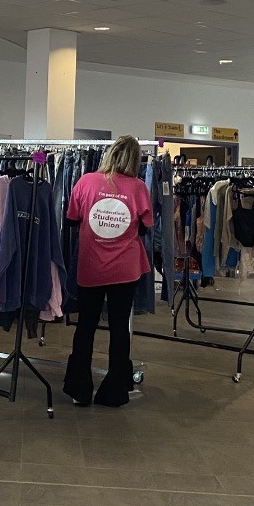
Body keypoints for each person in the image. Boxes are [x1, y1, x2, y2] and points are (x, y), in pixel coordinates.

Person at [63, 136, 153, 407]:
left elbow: (71, 219)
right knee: (119, 329)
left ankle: (79, 388)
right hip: (125, 269)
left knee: (85, 326)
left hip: (91, 266)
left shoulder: (86, 181)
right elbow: (146, 225)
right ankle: (115, 391)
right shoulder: (139, 188)